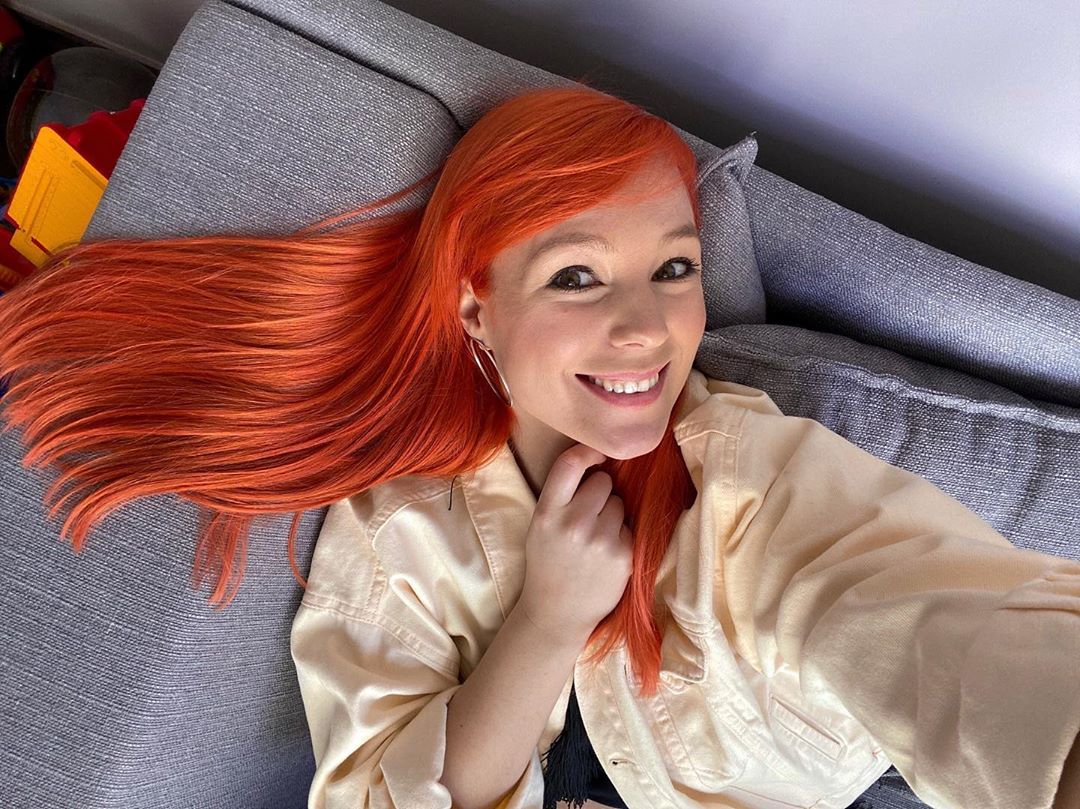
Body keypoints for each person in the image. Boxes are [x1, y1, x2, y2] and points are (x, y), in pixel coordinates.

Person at [0, 83, 1076, 809]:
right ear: (477, 309)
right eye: (576, 276)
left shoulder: (762, 485)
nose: (647, 328)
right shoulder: (405, 531)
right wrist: (546, 621)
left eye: (674, 268)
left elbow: (957, 631)